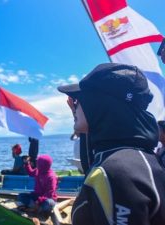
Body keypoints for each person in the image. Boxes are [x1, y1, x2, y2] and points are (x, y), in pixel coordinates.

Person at [58, 63, 165, 225]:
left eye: (79, 100)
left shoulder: (117, 173)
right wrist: (88, 120)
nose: (74, 105)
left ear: (100, 104)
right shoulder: (135, 158)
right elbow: (94, 166)